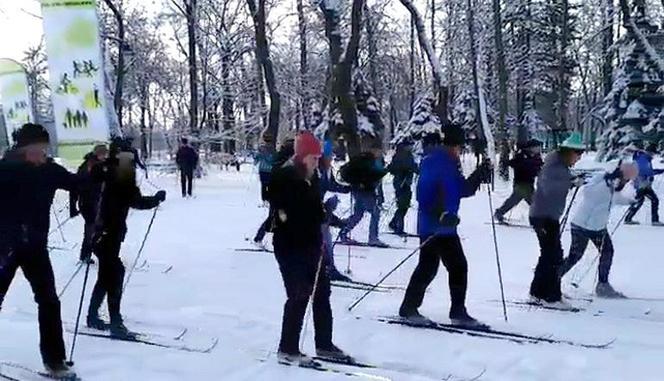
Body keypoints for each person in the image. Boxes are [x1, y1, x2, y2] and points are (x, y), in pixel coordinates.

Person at [0, 123, 79, 378]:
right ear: (24, 148)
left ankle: (55, 360)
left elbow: (78, 184)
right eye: (38, 148)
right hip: (5, 247)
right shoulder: (4, 171)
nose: (43, 153)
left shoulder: (48, 170)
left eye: (45, 148)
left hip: (35, 247)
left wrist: (104, 171)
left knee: (49, 301)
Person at [399, 125, 492, 327]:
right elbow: (423, 193)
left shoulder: (450, 162)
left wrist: (478, 175)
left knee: (431, 267)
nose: (460, 151)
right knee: (456, 266)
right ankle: (455, 312)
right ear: (452, 145)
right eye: (459, 147)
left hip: (445, 226)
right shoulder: (435, 161)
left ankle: (410, 307)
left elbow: (461, 189)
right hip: (435, 225)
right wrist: (440, 213)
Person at [270, 131, 349, 364]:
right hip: (290, 247)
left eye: (318, 158)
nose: (317, 163)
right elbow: (287, 214)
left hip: (313, 245)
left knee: (322, 293)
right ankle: (288, 348)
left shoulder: (310, 176)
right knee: (299, 295)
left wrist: (327, 214)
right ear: (302, 156)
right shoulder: (285, 178)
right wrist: (318, 214)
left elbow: (313, 208)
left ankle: (324, 344)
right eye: (313, 158)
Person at [86, 141, 166, 338]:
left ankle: (93, 316)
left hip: (104, 233)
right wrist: (155, 199)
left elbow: (131, 197)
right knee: (114, 274)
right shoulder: (118, 173)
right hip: (106, 233)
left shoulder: (112, 171)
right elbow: (135, 200)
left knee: (106, 276)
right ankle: (115, 322)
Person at [559, 163, 638, 298]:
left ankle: (602, 285)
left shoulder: (609, 183)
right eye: (628, 179)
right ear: (623, 176)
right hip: (583, 225)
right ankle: (551, 280)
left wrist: (630, 201)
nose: (627, 183)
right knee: (576, 256)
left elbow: (614, 198)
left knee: (605, 252)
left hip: (595, 226)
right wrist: (625, 197)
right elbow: (597, 195)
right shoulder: (605, 183)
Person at [528, 132, 585, 306]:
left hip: (547, 215)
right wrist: (571, 182)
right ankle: (551, 296)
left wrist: (572, 180)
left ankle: (538, 292)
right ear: (569, 152)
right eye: (577, 155)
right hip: (543, 216)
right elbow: (549, 187)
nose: (578, 159)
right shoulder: (554, 165)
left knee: (548, 255)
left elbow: (559, 181)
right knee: (554, 256)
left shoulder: (558, 164)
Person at [339, 141, 388, 247]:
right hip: (363, 190)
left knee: (359, 214)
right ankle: (373, 238)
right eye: (378, 150)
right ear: (373, 150)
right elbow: (368, 176)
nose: (380, 153)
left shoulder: (372, 160)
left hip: (362, 190)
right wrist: (380, 174)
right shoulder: (366, 160)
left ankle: (343, 233)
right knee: (375, 212)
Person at [319, 140, 351, 281]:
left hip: (321, 211)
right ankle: (326, 269)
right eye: (328, 156)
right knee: (323, 241)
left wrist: (347, 188)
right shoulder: (316, 170)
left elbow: (332, 185)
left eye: (331, 156)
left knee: (326, 240)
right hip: (314, 212)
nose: (331, 159)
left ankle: (329, 268)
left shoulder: (327, 169)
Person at [253, 139, 295, 247]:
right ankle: (259, 238)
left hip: (279, 193)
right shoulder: (283, 159)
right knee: (275, 217)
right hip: (279, 194)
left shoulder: (280, 157)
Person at [72, 144, 109, 264]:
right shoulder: (88, 166)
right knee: (92, 228)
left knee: (98, 228)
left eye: (105, 154)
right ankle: (86, 254)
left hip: (97, 202)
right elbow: (75, 186)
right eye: (103, 154)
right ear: (97, 154)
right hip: (87, 203)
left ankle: (89, 252)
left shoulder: (101, 165)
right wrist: (73, 206)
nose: (104, 156)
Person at [494, 139, 544, 223]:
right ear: (530, 148)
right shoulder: (522, 155)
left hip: (529, 183)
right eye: (536, 147)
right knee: (533, 201)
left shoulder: (536, 157)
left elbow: (539, 167)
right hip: (520, 183)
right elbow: (514, 163)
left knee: (514, 200)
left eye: (539, 147)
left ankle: (499, 212)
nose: (538, 149)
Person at [624, 144, 664, 225]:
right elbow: (643, 171)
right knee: (652, 200)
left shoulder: (645, 158)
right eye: (653, 153)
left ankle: (628, 218)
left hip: (643, 184)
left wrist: (659, 171)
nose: (653, 155)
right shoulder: (643, 159)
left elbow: (649, 170)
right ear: (649, 152)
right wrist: (653, 174)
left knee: (640, 200)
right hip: (641, 185)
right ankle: (654, 220)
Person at [387, 140, 418, 234]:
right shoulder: (402, 155)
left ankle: (394, 223)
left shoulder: (407, 155)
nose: (411, 147)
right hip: (401, 183)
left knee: (404, 205)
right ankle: (398, 227)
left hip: (405, 183)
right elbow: (396, 168)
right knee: (402, 205)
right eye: (409, 146)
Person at [255, 132, 276, 206]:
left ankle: (264, 200)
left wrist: (256, 160)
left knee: (263, 185)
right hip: (271, 169)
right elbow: (275, 159)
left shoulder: (261, 148)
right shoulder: (273, 149)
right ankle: (270, 199)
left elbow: (256, 158)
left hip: (262, 169)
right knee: (270, 185)